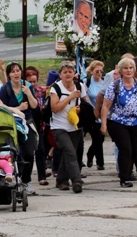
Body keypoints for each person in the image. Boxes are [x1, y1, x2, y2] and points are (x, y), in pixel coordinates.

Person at [101, 58, 137, 187]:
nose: (128, 70)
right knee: (125, 149)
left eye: (131, 68)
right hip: (118, 122)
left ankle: (126, 169)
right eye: (125, 68)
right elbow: (105, 106)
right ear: (121, 70)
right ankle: (125, 177)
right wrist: (103, 124)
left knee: (136, 150)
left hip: (136, 122)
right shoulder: (114, 86)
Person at [0, 62, 39, 195]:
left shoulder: (26, 86)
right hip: (12, 124)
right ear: (9, 75)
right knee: (15, 152)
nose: (16, 73)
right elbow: (1, 107)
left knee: (29, 152)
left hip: (27, 123)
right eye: (13, 71)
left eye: (18, 70)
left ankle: (26, 180)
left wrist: (29, 93)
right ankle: (15, 177)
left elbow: (34, 106)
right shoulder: (6, 89)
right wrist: (18, 109)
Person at [50, 61, 87, 193]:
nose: (68, 74)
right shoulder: (56, 88)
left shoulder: (80, 86)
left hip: (75, 126)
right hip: (59, 127)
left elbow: (86, 103)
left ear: (74, 74)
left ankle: (61, 181)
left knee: (69, 154)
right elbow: (55, 108)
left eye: (70, 71)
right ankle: (76, 181)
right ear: (60, 75)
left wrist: (80, 109)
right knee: (70, 153)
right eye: (64, 72)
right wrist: (70, 97)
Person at [84, 60, 105, 170]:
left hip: (103, 114)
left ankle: (90, 154)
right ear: (92, 71)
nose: (99, 73)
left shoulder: (105, 82)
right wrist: (86, 71)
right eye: (97, 71)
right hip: (91, 115)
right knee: (97, 138)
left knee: (101, 138)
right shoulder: (87, 82)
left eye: (101, 71)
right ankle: (100, 163)